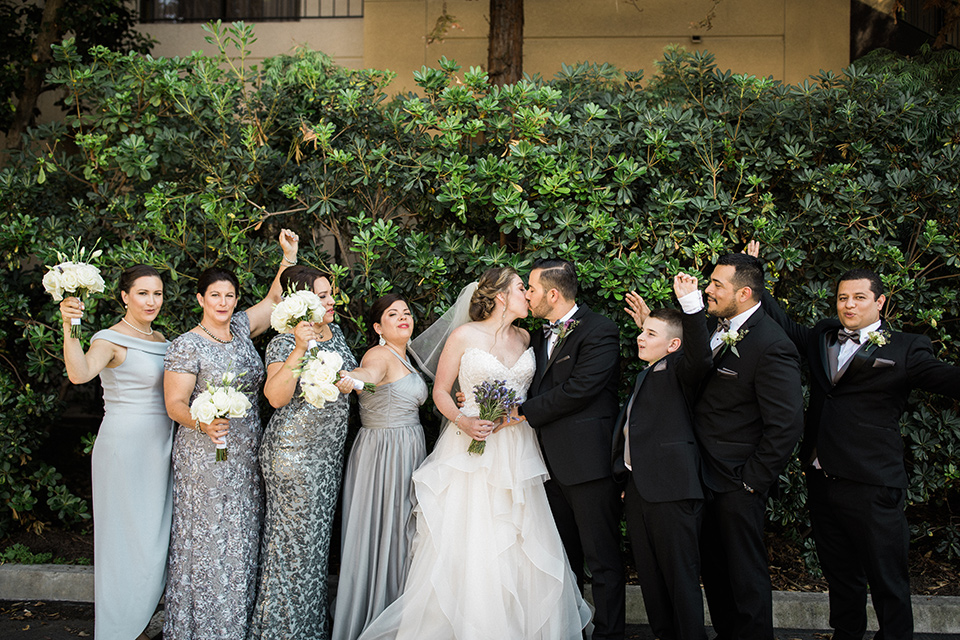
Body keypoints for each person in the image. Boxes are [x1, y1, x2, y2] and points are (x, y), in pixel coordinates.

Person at [357, 267, 591, 640]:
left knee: (521, 536)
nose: (528, 295)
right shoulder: (464, 335)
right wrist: (464, 422)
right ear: (501, 296)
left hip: (518, 448)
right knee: (475, 537)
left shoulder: (527, 336)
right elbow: (441, 393)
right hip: (471, 448)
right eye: (521, 288)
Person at [746, 243, 960, 640]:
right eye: (843, 297)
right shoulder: (823, 336)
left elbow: (947, 379)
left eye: (859, 297)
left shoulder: (906, 348)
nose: (849, 305)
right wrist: (755, 274)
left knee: (887, 577)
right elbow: (781, 324)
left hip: (873, 481)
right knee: (840, 574)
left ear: (879, 302)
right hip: (822, 478)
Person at [162, 229, 299, 640]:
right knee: (208, 536)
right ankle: (202, 628)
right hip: (204, 452)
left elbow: (275, 301)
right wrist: (201, 423)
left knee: (241, 534)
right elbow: (175, 404)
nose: (223, 303)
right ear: (201, 299)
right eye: (215, 296)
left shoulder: (240, 329)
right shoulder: (186, 345)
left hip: (244, 451)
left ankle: (234, 625)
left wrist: (287, 259)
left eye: (230, 296)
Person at [693, 253, 804, 640]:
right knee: (716, 572)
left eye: (716, 284)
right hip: (702, 475)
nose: (708, 289)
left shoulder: (773, 344)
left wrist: (752, 481)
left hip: (738, 482)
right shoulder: (711, 326)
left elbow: (786, 424)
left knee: (746, 575)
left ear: (743, 293)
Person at [59, 264, 172, 640]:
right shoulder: (109, 339)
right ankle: (120, 627)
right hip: (124, 447)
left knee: (155, 536)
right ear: (125, 296)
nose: (151, 301)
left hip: (164, 446)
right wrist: (69, 326)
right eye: (143, 293)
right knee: (125, 536)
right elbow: (79, 373)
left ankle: (144, 618)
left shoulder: (163, 339)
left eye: (156, 293)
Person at [249, 265, 357, 640]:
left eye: (330, 293)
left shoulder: (336, 332)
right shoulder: (282, 342)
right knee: (291, 549)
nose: (331, 301)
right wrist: (299, 347)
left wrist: (348, 381)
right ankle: (279, 633)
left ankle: (306, 631)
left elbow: (348, 376)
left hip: (327, 456)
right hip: (293, 455)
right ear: (302, 301)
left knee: (313, 551)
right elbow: (276, 397)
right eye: (323, 295)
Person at [519, 258, 624, 640]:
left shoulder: (600, 330)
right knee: (563, 560)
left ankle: (610, 635)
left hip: (588, 464)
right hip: (546, 466)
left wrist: (520, 411)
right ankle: (570, 631)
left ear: (552, 293)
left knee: (603, 559)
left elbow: (580, 389)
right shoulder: (535, 336)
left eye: (530, 288)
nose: (526, 296)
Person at [613, 273, 713, 640]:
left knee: (679, 581)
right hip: (640, 491)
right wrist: (649, 327)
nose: (640, 338)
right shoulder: (649, 371)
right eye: (643, 332)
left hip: (673, 492)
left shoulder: (681, 371)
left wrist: (691, 305)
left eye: (650, 335)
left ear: (673, 345)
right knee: (652, 581)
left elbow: (697, 354)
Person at [331, 294, 428, 640]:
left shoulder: (407, 357)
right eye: (392, 314)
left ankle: (399, 616)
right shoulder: (378, 354)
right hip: (383, 455)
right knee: (386, 528)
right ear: (377, 327)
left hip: (408, 451)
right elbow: (367, 375)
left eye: (406, 312)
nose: (403, 317)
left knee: (403, 530)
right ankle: (376, 619)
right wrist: (352, 379)